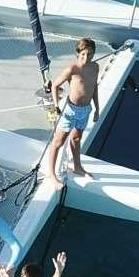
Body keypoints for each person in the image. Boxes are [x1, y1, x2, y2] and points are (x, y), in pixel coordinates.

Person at [41, 38, 99, 190]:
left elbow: (94, 88)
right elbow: (55, 85)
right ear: (77, 53)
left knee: (76, 138)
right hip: (70, 110)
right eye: (83, 55)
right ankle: (52, 174)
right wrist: (55, 106)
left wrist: (97, 109)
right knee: (58, 142)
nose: (86, 58)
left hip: (85, 110)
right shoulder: (72, 69)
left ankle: (78, 167)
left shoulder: (95, 67)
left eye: (90, 54)